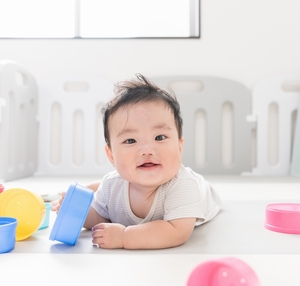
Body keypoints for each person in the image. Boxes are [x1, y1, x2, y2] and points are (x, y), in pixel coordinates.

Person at [52, 74, 221, 250]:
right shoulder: (112, 185)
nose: (147, 150)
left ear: (180, 147)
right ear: (111, 155)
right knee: (108, 183)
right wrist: (78, 212)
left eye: (160, 137)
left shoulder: (183, 186)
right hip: (114, 181)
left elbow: (176, 231)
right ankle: (93, 187)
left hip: (202, 192)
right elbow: (101, 216)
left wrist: (124, 237)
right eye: (131, 141)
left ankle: (93, 186)